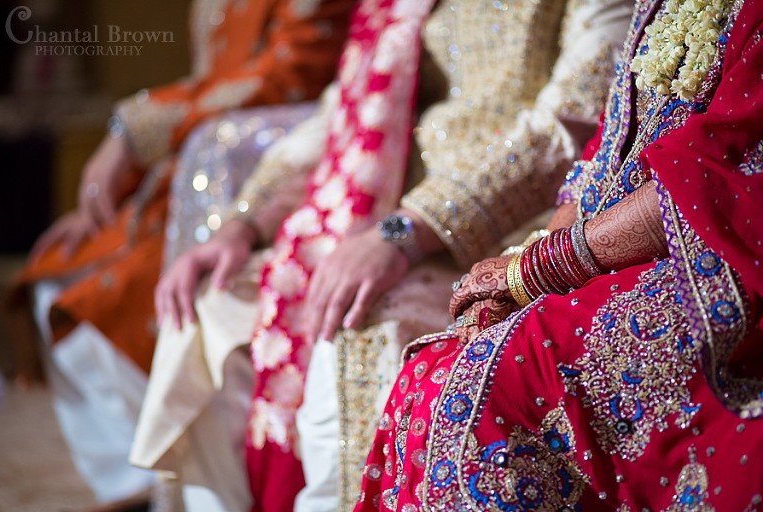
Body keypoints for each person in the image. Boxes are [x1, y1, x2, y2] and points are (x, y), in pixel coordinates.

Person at [147, 1, 634, 511]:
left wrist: (410, 229)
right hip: (376, 222)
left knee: (352, 334)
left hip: (503, 234)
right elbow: (342, 115)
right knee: (208, 310)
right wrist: (243, 225)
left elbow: (574, 119)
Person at [354, 0, 763, 509]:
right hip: (565, 230)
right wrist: (535, 262)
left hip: (704, 242)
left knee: (478, 382)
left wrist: (418, 233)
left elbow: (573, 125)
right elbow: (609, 136)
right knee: (416, 368)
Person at [9, 0, 354, 506]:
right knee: (57, 283)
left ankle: (158, 479)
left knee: (180, 317)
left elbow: (290, 78)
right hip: (207, 182)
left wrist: (138, 128)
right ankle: (136, 484)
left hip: (251, 174)